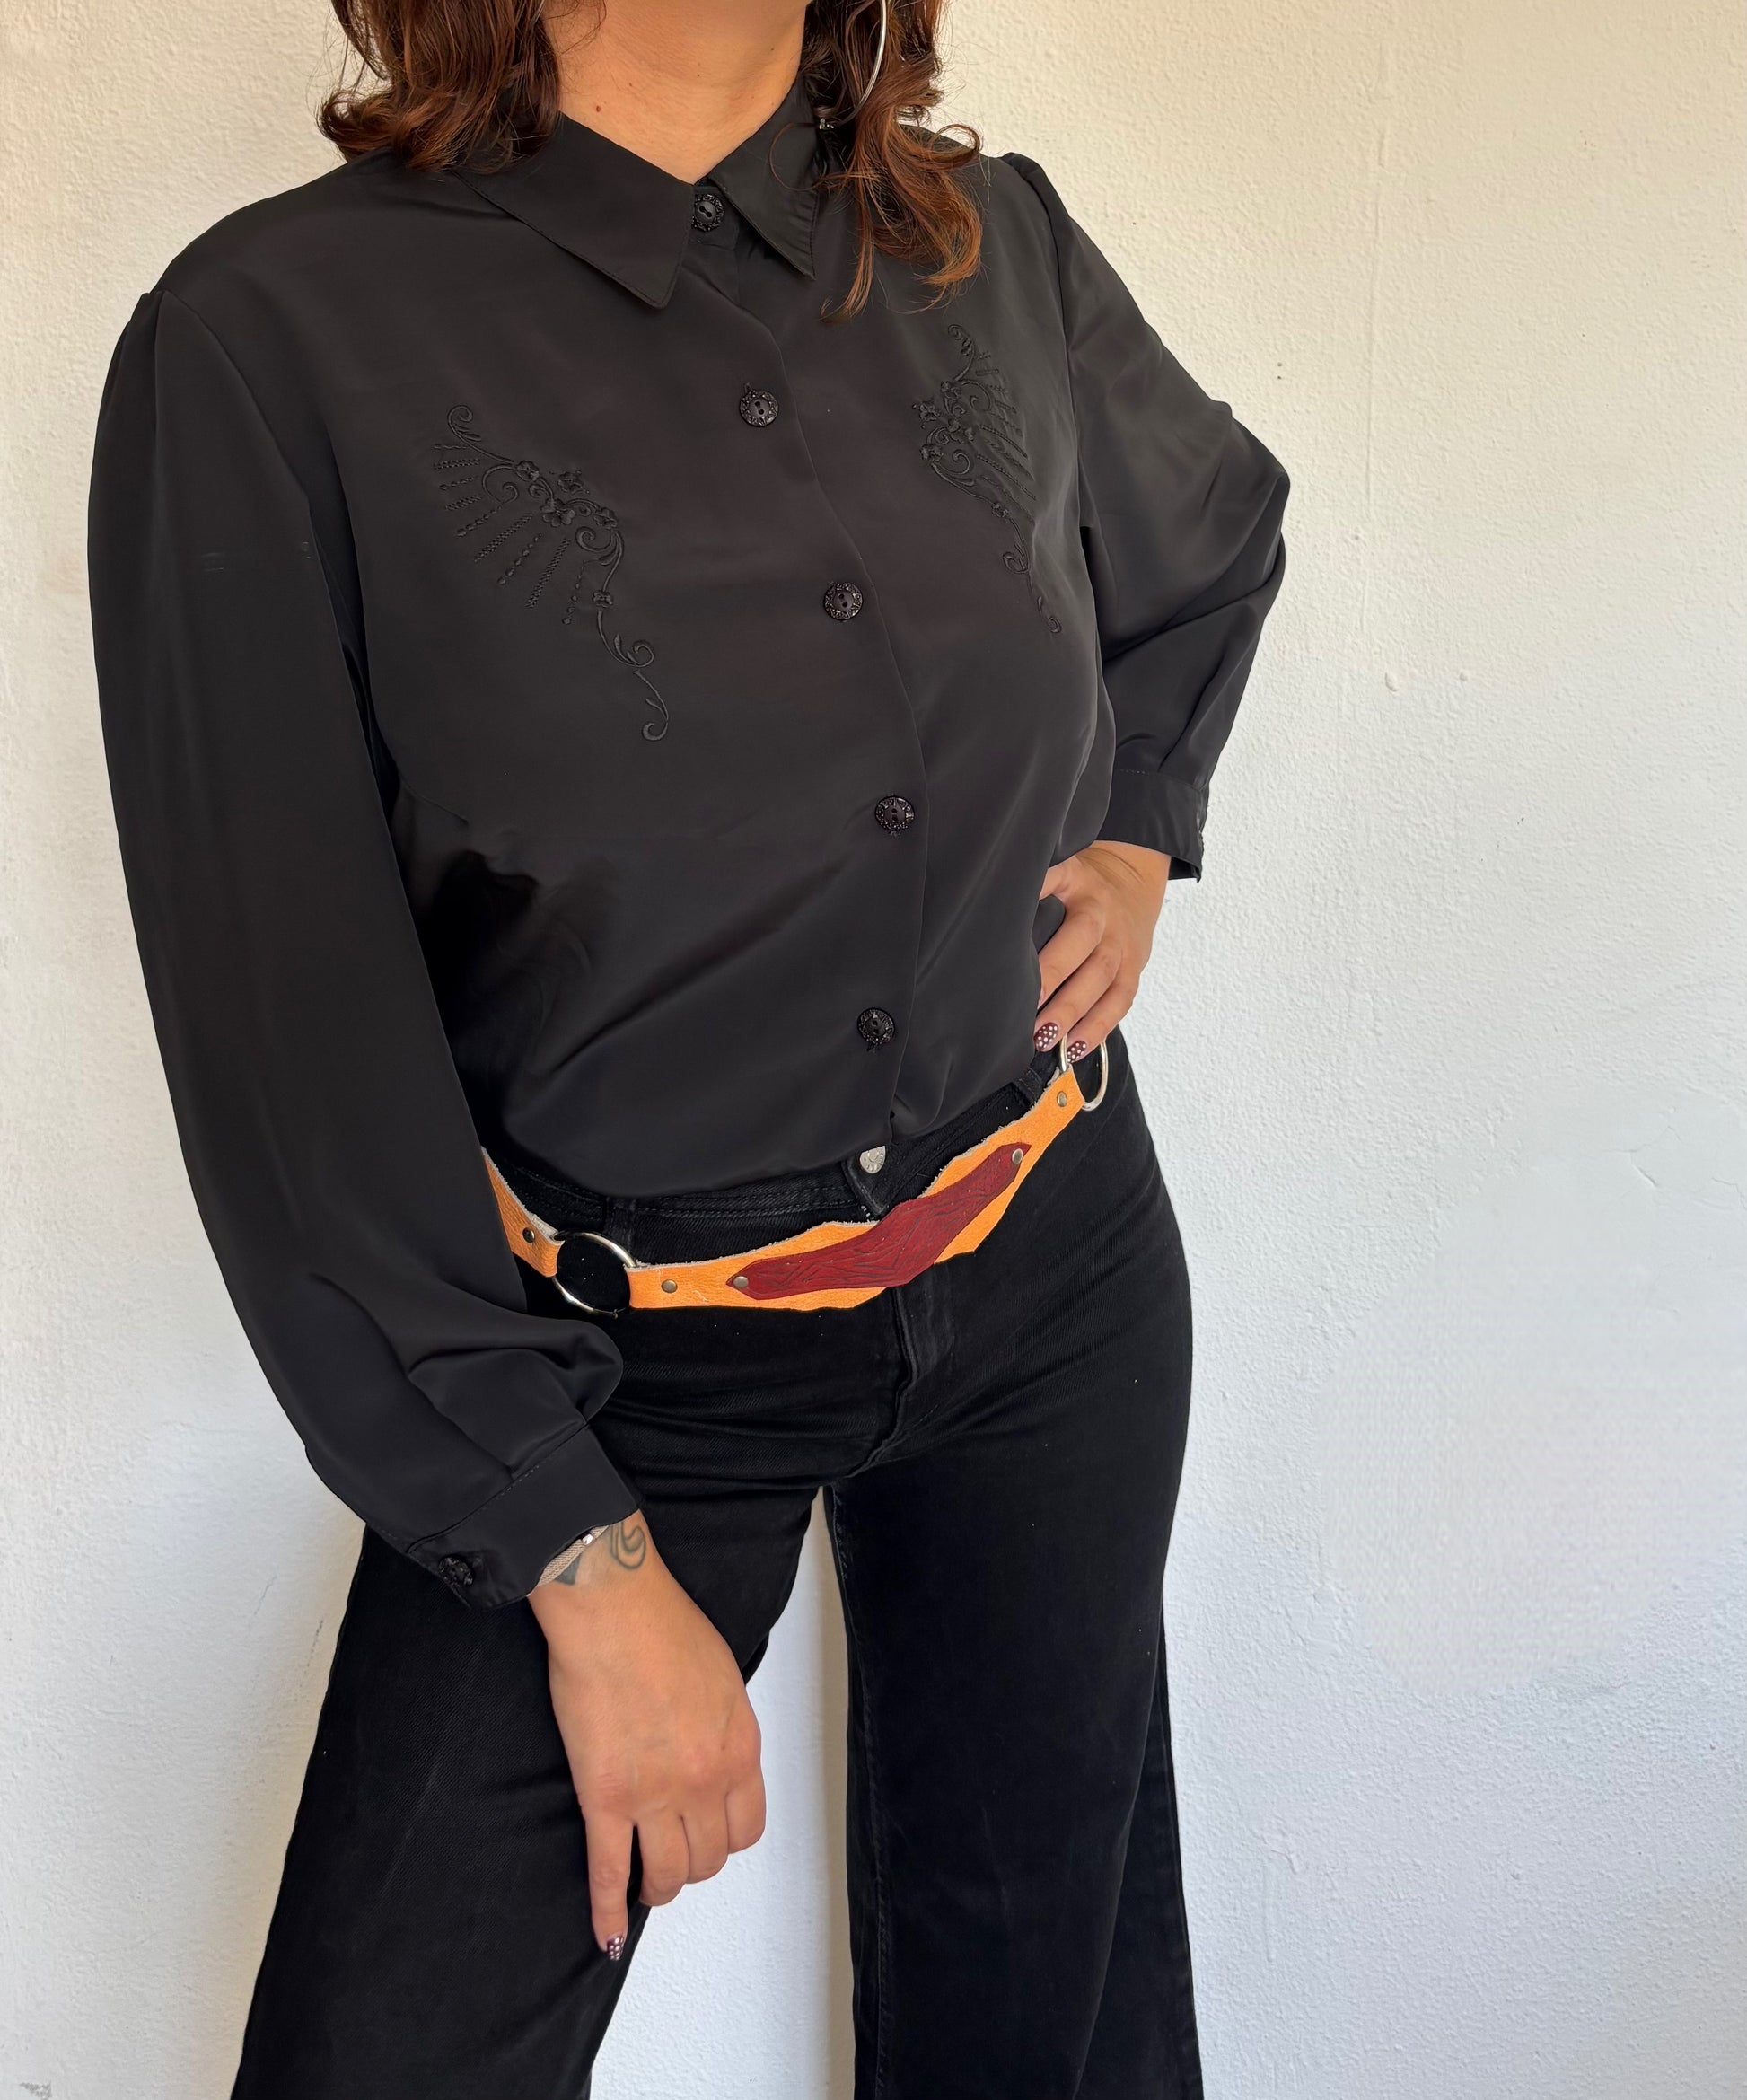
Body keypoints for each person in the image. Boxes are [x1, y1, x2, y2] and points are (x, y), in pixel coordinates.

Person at [86, 0, 1287, 2091]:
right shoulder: (273, 341)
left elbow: (1204, 539)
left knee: (1044, 1991)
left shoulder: (989, 244)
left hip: (1057, 1276)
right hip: (619, 1365)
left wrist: (1134, 822)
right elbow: (295, 1044)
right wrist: (566, 1544)